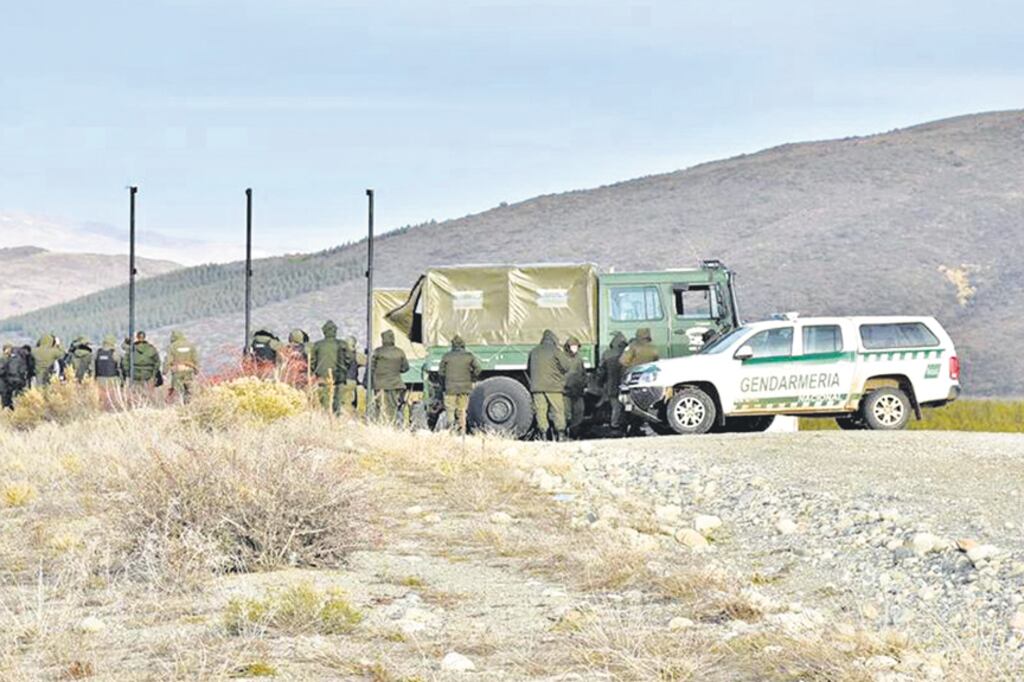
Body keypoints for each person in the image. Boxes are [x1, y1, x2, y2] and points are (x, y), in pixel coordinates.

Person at [527, 329, 570, 441]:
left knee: (540, 411)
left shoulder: (534, 351)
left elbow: (528, 369)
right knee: (558, 411)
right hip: (554, 387)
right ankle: (560, 435)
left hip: (537, 388)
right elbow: (566, 367)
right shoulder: (556, 351)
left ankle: (543, 435)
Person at [438, 334, 481, 433]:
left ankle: (451, 430)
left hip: (450, 388)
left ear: (452, 345)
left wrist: (443, 384)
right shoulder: (469, 356)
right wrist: (472, 378)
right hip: (465, 388)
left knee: (450, 409)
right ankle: (462, 431)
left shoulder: (446, 356)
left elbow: (440, 373)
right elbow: (478, 369)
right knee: (462, 410)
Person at [371, 329, 409, 426]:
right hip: (395, 383)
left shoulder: (377, 352)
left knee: (380, 405)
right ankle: (392, 425)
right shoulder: (400, 352)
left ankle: (379, 425)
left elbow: (371, 368)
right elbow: (405, 368)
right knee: (393, 406)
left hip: (379, 384)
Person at [596, 332, 629, 432]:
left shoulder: (607, 353)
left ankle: (614, 425)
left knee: (616, 406)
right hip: (625, 384)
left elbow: (601, 370)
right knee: (626, 406)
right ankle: (624, 425)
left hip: (611, 385)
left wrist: (599, 382)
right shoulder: (627, 353)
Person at [310, 320, 343, 412]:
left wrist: (316, 371)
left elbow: (311, 361)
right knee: (338, 400)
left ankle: (325, 416)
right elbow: (349, 358)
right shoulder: (342, 344)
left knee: (325, 400)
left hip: (322, 375)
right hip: (339, 376)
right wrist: (344, 369)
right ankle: (336, 418)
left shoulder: (317, 345)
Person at [164, 330, 199, 403]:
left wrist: (165, 371)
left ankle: (178, 406)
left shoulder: (172, 346)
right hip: (188, 371)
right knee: (188, 390)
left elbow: (168, 360)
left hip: (177, 371)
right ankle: (187, 405)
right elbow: (195, 359)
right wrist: (196, 370)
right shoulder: (191, 345)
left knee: (177, 390)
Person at [562, 335, 586, 438]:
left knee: (579, 413)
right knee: (567, 414)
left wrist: (584, 384)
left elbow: (583, 373)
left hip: (578, 391)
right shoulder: (562, 358)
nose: (574, 348)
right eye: (572, 346)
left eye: (576, 346)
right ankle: (565, 433)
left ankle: (574, 433)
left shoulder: (579, 359)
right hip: (566, 391)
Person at [340, 335, 363, 414]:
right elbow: (367, 362)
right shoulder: (356, 355)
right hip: (351, 381)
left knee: (341, 403)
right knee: (349, 404)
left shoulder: (339, 354)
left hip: (340, 382)